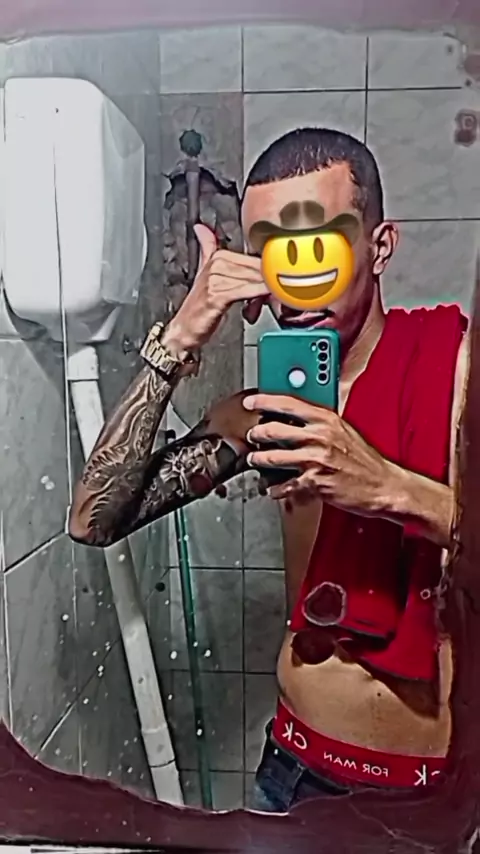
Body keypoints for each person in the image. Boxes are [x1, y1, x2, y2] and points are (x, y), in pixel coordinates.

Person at [69, 128, 468, 812]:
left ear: (380, 247)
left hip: (431, 798)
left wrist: (389, 487)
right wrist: (181, 334)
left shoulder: (462, 375)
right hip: (291, 775)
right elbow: (93, 519)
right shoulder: (259, 416)